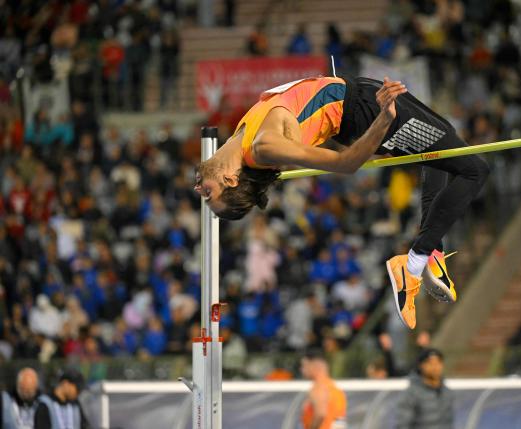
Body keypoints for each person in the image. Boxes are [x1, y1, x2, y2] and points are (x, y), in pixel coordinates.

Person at [193, 75, 489, 329]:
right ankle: (413, 264)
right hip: (364, 110)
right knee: (475, 170)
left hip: (358, 99)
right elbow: (346, 163)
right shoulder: (263, 147)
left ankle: (431, 251)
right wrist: (384, 119)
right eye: (208, 194)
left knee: (440, 152)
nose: (197, 189)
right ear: (230, 180)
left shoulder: (241, 137)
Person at [395, 348, 453, 429]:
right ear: (422, 366)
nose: (435, 367)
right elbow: (403, 424)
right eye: (430, 363)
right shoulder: (412, 393)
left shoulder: (447, 392)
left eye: (438, 363)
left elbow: (448, 422)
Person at [300, 350, 347, 429]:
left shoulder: (319, 387)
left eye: (304, 365)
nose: (302, 370)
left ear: (314, 365)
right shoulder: (335, 389)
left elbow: (320, 414)